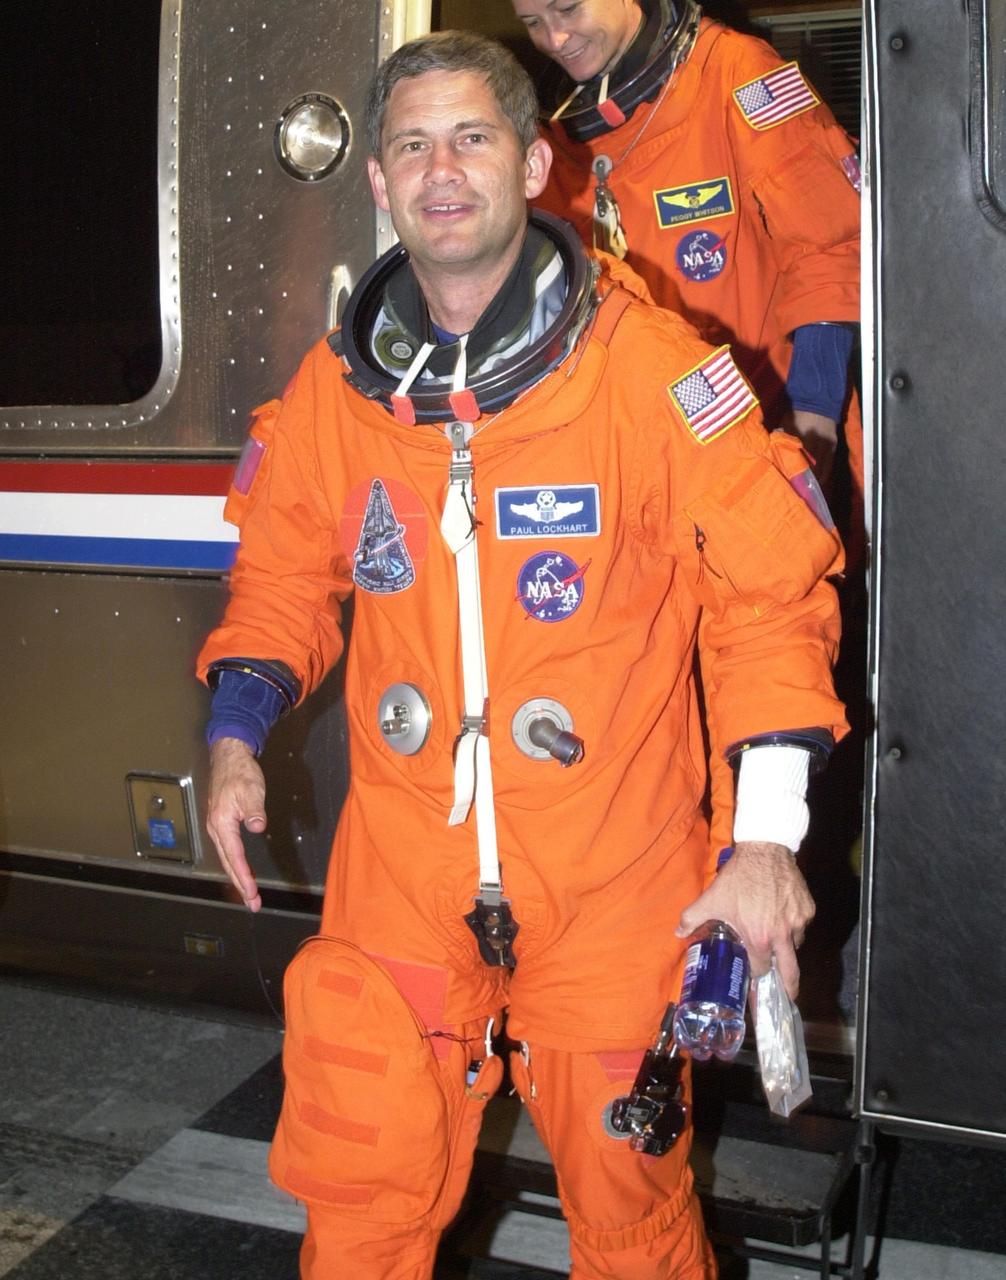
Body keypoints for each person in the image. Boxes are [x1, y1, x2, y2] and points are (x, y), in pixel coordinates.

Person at [197, 30, 847, 1280]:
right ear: (378, 183)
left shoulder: (649, 371)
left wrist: (763, 838)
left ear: (536, 161)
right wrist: (235, 733)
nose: (442, 171)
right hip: (404, 868)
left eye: (473, 138)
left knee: (629, 1213)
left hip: (612, 870)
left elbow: (768, 590)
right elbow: (283, 573)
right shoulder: (341, 388)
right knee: (358, 1191)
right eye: (412, 146)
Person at [514, 0, 861, 501]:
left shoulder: (736, 72)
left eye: (567, 9)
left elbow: (828, 245)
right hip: (635, 448)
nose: (556, 39)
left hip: (762, 424)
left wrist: (814, 415)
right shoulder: (543, 139)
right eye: (533, 24)